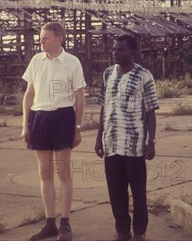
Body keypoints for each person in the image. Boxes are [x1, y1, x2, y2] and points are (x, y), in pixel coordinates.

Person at [21, 22, 86, 241]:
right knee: (44, 173)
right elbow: (29, 95)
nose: (41, 41)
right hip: (39, 118)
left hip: (63, 117)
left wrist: (77, 127)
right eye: (41, 37)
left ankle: (65, 224)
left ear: (59, 39)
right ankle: (50, 223)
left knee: (64, 172)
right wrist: (25, 124)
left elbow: (79, 97)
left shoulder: (72, 62)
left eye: (45, 38)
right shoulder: (36, 61)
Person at [94, 35, 159, 241]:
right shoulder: (107, 74)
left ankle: (139, 231)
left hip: (134, 144)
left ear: (132, 51)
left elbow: (150, 111)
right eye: (114, 49)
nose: (115, 52)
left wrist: (151, 142)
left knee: (138, 191)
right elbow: (104, 108)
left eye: (120, 49)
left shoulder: (144, 76)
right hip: (111, 142)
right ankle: (123, 230)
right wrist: (98, 138)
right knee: (115, 191)